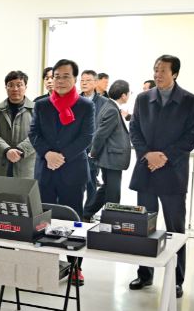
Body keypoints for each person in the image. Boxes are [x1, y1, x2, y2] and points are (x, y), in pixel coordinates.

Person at [128, 55, 194, 298]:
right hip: (146, 170)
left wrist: (165, 157)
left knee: (175, 229)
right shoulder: (143, 98)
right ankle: (144, 274)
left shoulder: (190, 101)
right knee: (143, 226)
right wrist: (147, 155)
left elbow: (191, 137)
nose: (157, 75)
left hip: (172, 173)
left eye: (163, 71)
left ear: (175, 74)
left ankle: (177, 279)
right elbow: (134, 130)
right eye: (155, 70)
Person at [28, 59, 95, 215]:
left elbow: (86, 136)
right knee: (43, 217)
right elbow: (33, 133)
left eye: (66, 76)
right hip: (45, 170)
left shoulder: (85, 105)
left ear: (75, 79)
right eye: (57, 76)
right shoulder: (41, 105)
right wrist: (47, 154)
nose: (60, 81)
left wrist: (60, 157)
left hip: (73, 170)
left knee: (71, 218)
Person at [83, 80, 132, 220]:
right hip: (111, 158)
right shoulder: (112, 109)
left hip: (111, 157)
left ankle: (86, 213)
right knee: (113, 194)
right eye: (129, 93)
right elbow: (100, 134)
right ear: (123, 95)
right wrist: (93, 152)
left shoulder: (110, 106)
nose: (129, 95)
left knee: (107, 189)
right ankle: (111, 221)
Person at [0, 70, 36, 178]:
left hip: (26, 167)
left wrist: (20, 150)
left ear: (26, 87)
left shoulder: (37, 109)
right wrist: (6, 150)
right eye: (10, 85)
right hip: (1, 166)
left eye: (19, 85)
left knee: (24, 189)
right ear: (6, 87)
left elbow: (39, 134)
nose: (15, 89)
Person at [79, 69, 105, 202]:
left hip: (93, 149)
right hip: (76, 148)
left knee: (91, 181)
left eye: (88, 80)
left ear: (95, 83)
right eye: (82, 80)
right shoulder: (73, 100)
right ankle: (73, 210)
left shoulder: (104, 103)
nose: (84, 83)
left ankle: (89, 210)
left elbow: (104, 127)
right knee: (75, 182)